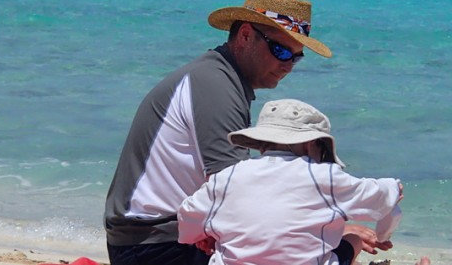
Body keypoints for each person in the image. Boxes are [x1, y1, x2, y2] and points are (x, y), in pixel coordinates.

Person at [104, 0, 336, 265]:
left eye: (296, 57)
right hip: (154, 246)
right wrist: (334, 230)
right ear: (246, 36)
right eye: (281, 51)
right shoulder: (216, 85)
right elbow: (238, 190)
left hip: (155, 239)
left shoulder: (218, 77)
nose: (288, 65)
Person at [177, 99, 431, 265]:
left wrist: (206, 234)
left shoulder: (228, 177)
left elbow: (187, 218)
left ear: (261, 142)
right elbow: (390, 192)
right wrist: (384, 230)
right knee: (351, 242)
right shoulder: (323, 176)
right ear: (312, 143)